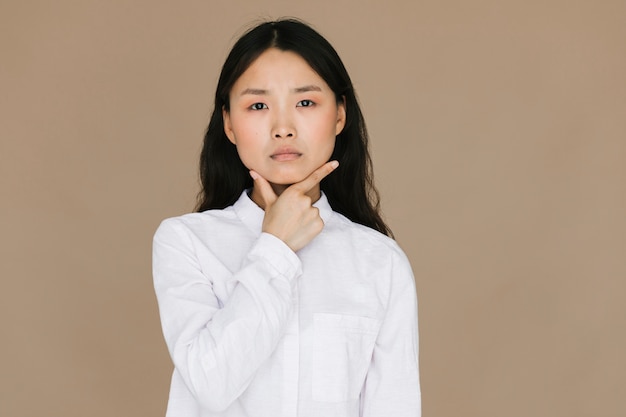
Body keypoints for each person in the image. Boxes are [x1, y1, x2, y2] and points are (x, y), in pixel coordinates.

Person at [153, 18, 420, 417]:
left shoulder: (380, 263)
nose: (283, 128)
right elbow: (210, 384)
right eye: (258, 105)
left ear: (340, 116)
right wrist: (275, 248)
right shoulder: (186, 243)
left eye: (306, 103)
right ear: (228, 123)